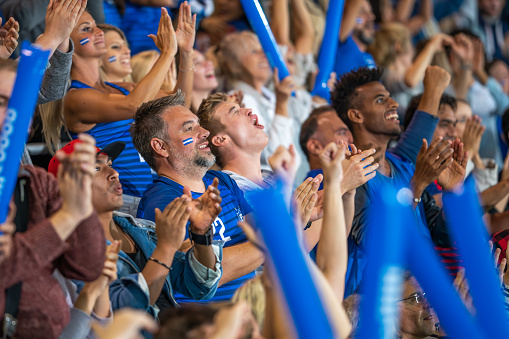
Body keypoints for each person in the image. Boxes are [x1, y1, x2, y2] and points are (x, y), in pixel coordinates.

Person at [331, 65, 467, 295]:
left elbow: (442, 235)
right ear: (356, 115)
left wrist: (453, 193)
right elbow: (377, 242)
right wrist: (417, 185)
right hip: (379, 307)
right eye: (380, 100)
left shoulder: (402, 165)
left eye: (391, 98)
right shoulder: (351, 173)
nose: (393, 104)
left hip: (423, 298)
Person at [48, 139, 223, 313]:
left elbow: (199, 286)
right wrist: (166, 248)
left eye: (110, 164)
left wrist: (201, 234)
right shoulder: (73, 251)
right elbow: (122, 311)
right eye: (96, 168)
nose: (114, 173)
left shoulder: (141, 229)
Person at [53, 3, 195, 216]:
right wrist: (166, 53)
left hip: (154, 191)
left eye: (96, 26)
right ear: (67, 43)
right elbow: (132, 106)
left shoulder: (123, 88)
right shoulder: (76, 97)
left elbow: (180, 104)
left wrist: (186, 52)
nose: (99, 32)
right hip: (123, 200)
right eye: (86, 29)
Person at [131, 92, 264, 302]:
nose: (204, 132)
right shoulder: (164, 202)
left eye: (199, 124)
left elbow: (262, 231)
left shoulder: (221, 180)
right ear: (161, 147)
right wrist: (276, 241)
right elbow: (203, 276)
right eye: (189, 128)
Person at [0, 131, 105, 339]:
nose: (10, 113)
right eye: (2, 103)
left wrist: (82, 204)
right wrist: (67, 217)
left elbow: (87, 267)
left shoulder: (36, 181)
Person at [334, 0, 376, 77]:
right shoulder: (342, 42)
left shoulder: (369, 56)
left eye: (370, 11)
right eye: (361, 11)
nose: (371, 16)